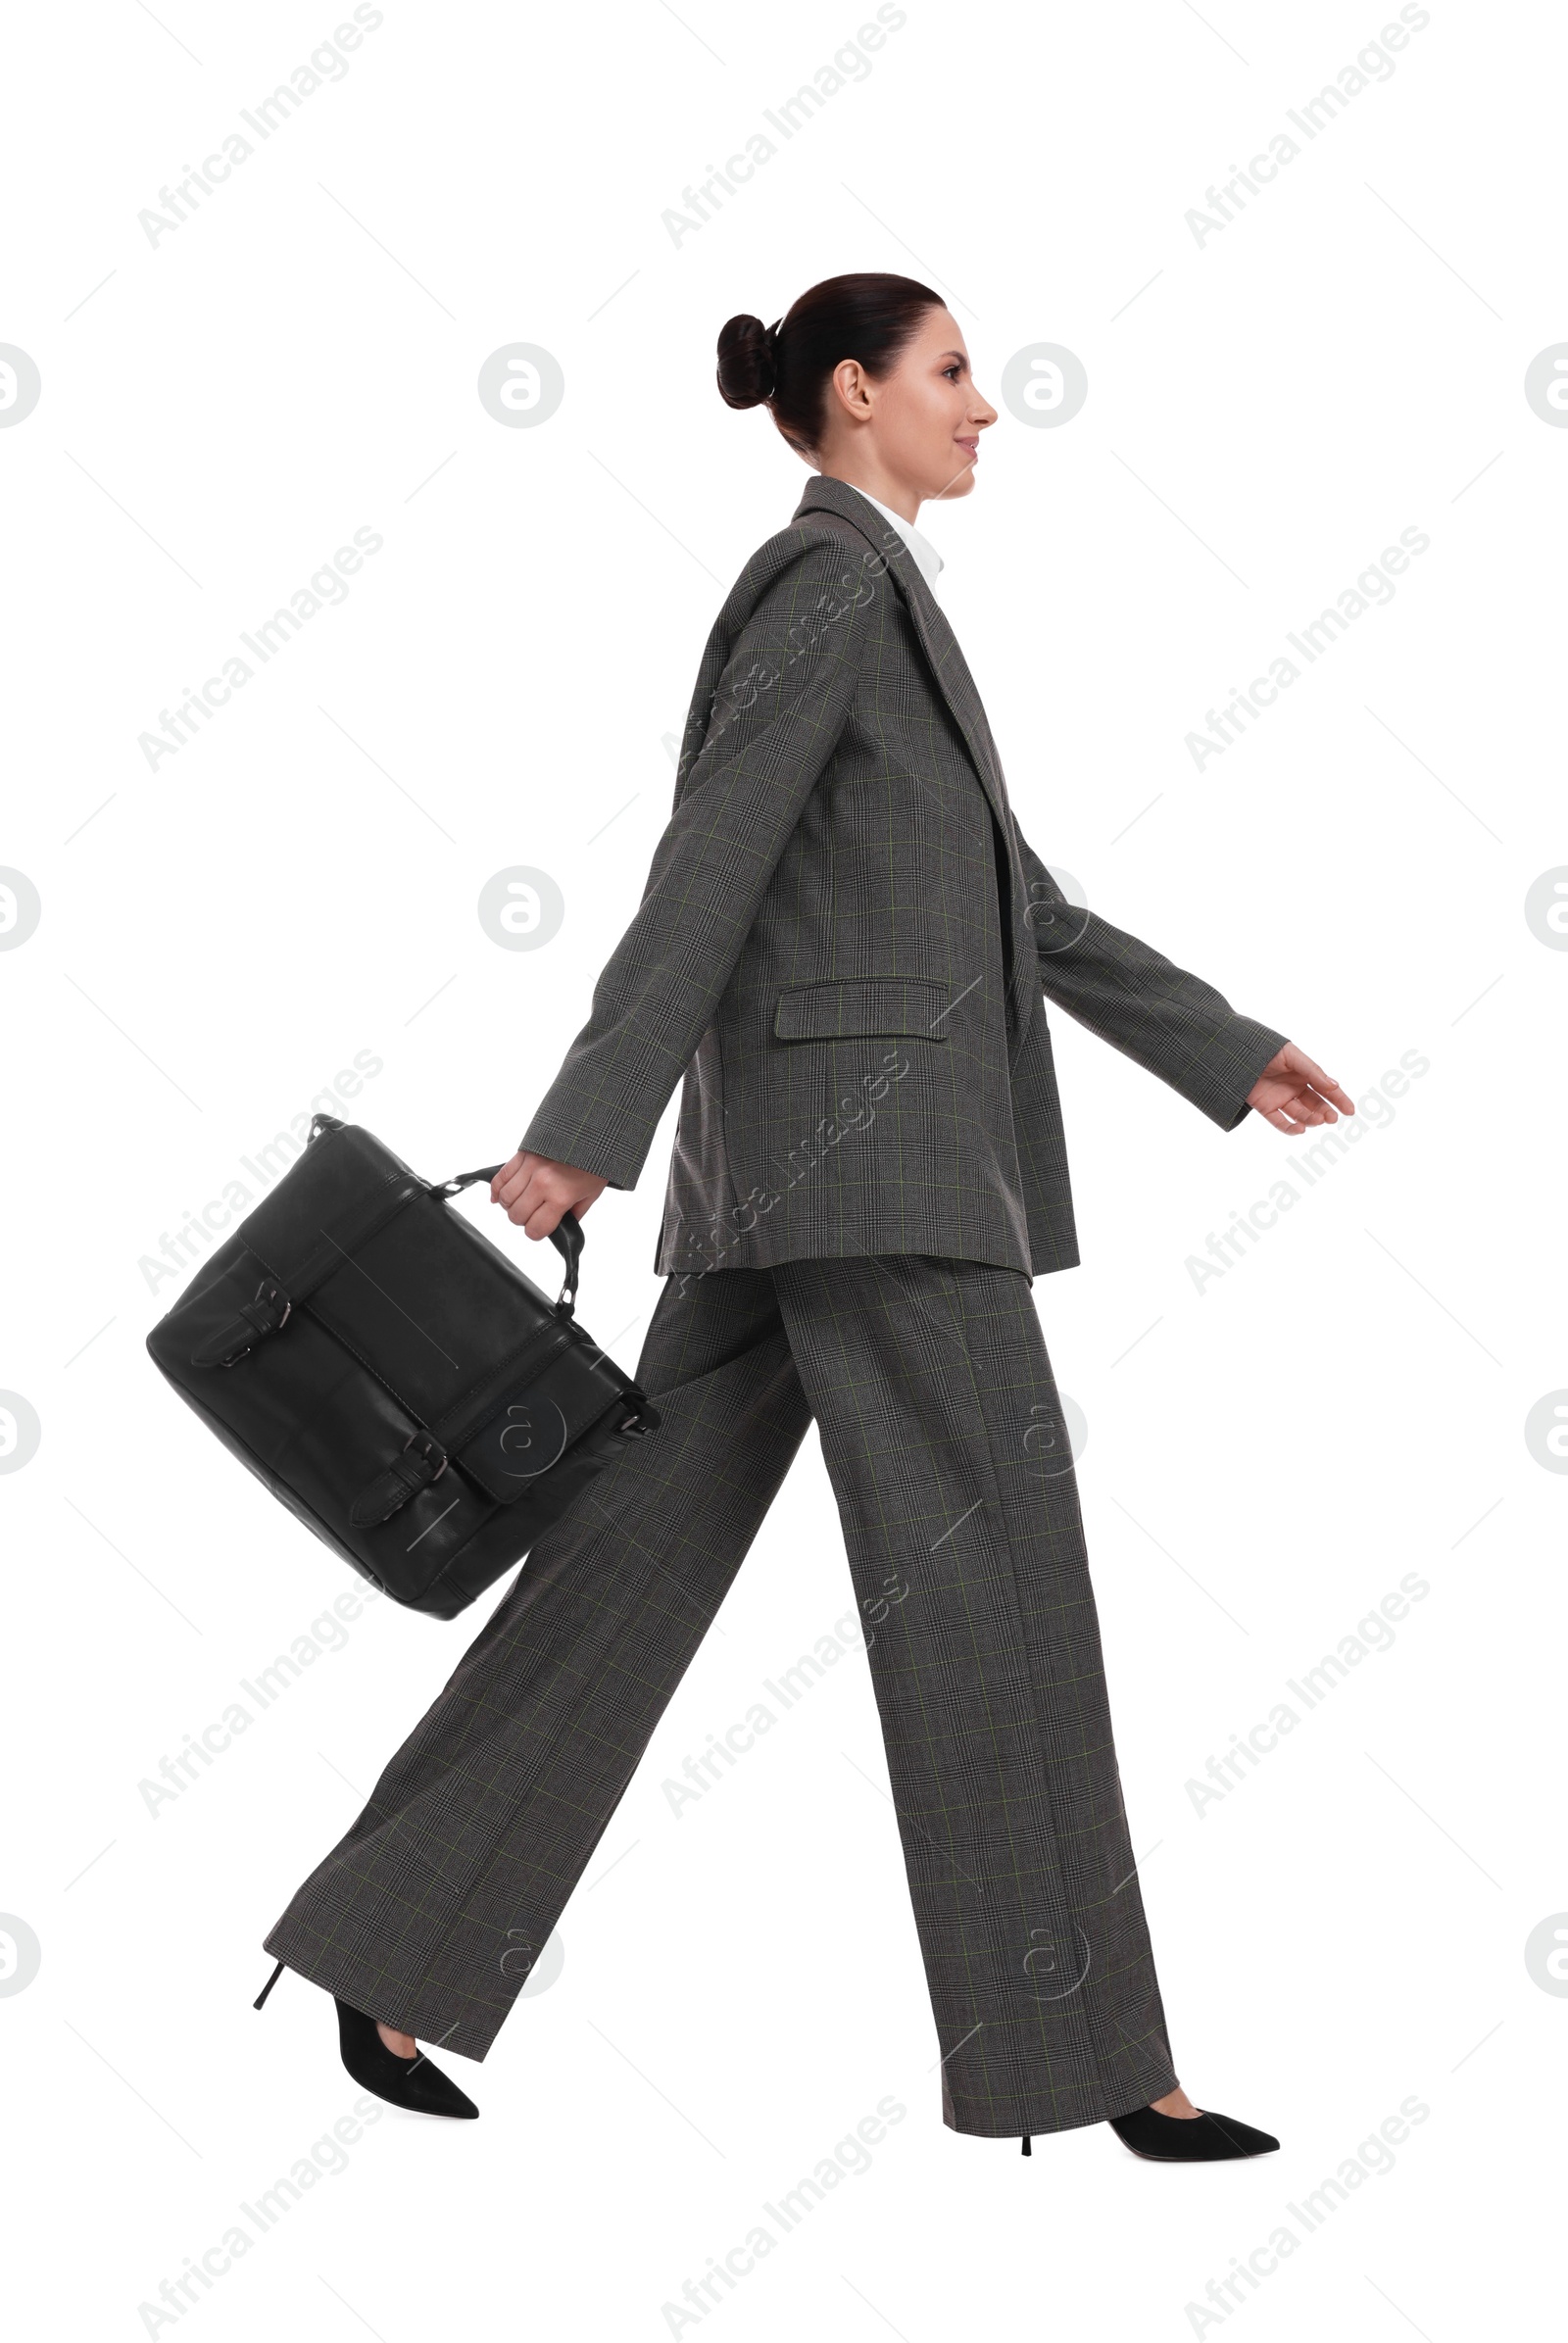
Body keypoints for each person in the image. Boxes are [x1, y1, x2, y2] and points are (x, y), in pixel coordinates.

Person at [258, 272, 1352, 2161]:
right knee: (1002, 1595)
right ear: (854, 395)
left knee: (622, 1568)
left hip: (807, 1179)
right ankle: (1090, 2066)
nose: (986, 406)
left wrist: (1223, 1048)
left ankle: (388, 1950)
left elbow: (1022, 905)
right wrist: (586, 1130)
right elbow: (712, 861)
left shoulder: (882, 596)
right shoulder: (828, 585)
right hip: (882, 1178)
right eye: (950, 373)